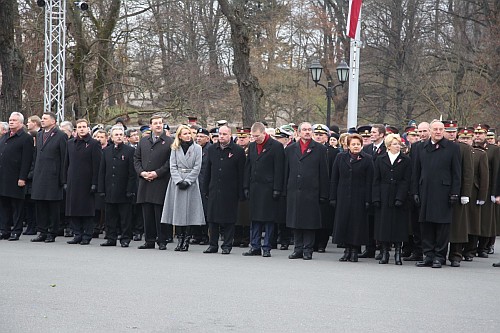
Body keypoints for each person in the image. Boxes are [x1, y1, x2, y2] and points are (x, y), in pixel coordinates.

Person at [413, 120, 461, 268]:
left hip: (443, 192)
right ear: (430, 130)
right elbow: (416, 172)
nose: (438, 132)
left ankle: (439, 256)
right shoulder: (420, 147)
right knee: (425, 225)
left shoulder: (452, 147)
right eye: (435, 129)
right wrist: (415, 191)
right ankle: (428, 255)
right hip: (425, 191)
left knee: (442, 226)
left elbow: (457, 173)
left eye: (441, 129)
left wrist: (455, 193)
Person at [284, 122, 329, 260]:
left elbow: (324, 173)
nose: (307, 132)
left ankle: (308, 249)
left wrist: (324, 193)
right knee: (295, 221)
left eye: (310, 130)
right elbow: (286, 171)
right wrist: (284, 191)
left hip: (312, 191)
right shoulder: (290, 149)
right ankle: (297, 249)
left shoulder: (320, 149)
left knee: (309, 222)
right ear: (298, 132)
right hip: (294, 191)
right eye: (304, 130)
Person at [242, 122, 284, 258]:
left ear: (264, 133)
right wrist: (246, 186)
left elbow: (279, 169)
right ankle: (255, 246)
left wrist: (277, 188)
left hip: (269, 188)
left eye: (257, 136)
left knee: (268, 219)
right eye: (253, 136)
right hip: (255, 187)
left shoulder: (276, 146)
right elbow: (248, 167)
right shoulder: (253, 146)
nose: (255, 138)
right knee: (255, 219)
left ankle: (267, 247)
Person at [330, 133, 374, 262]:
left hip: (359, 196)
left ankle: (354, 250)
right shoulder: (340, 157)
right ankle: (346, 250)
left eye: (358, 144)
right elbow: (334, 178)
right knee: (344, 222)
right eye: (353, 144)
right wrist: (332, 196)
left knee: (357, 224)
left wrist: (368, 199)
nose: (356, 146)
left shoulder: (367, 159)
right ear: (348, 145)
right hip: (343, 195)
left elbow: (370, 181)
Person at [160, 125, 204, 251]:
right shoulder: (175, 148)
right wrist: (178, 180)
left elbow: (197, 166)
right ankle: (179, 238)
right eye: (185, 134)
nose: (188, 136)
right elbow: (172, 165)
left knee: (189, 212)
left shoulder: (197, 148)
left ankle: (187, 239)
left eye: (189, 133)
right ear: (179, 136)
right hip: (177, 181)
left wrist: (188, 181)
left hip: (191, 181)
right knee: (178, 212)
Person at [203, 125, 245, 255]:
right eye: (220, 134)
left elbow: (241, 173)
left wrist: (241, 192)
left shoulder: (238, 151)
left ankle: (227, 245)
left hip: (230, 190)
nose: (221, 136)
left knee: (229, 219)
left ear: (230, 135)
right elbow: (207, 171)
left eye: (224, 134)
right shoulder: (211, 150)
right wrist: (205, 188)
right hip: (214, 188)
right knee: (212, 219)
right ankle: (213, 244)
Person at [134, 115, 174, 250]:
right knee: (147, 213)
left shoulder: (169, 141)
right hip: (145, 182)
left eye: (160, 123)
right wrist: (142, 172)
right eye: (155, 123)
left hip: (160, 182)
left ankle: (162, 240)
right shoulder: (143, 141)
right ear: (150, 126)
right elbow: (137, 159)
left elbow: (170, 162)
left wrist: (157, 173)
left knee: (159, 213)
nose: (158, 125)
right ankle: (149, 240)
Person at [372, 134, 411, 265]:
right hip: (384, 194)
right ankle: (384, 253)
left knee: (398, 226)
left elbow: (406, 180)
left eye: (398, 143)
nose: (397, 146)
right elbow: (375, 180)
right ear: (388, 146)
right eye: (395, 144)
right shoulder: (380, 159)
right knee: (383, 225)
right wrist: (376, 197)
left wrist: (400, 197)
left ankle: (398, 253)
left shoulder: (405, 160)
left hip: (398, 195)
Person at [30, 112, 68, 243]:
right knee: (40, 205)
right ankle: (42, 231)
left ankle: (52, 232)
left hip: (53, 176)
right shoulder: (39, 134)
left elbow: (64, 158)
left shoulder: (61, 136)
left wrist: (62, 178)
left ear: (53, 121)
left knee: (53, 206)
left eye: (45, 118)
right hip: (40, 175)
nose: (42, 120)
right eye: (42, 118)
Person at [64, 119, 102, 245]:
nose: (81, 129)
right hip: (73, 181)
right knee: (73, 208)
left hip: (87, 181)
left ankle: (87, 234)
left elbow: (97, 165)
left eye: (84, 126)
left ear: (88, 128)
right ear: (75, 129)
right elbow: (66, 163)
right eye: (79, 127)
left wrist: (95, 183)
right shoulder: (70, 143)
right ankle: (77, 234)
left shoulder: (94, 143)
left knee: (87, 210)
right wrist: (65, 180)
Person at [98, 126, 137, 248]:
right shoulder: (106, 151)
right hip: (110, 189)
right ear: (111, 137)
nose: (119, 136)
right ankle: (111, 237)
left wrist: (130, 189)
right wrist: (102, 189)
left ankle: (125, 238)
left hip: (124, 189)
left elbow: (132, 173)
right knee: (110, 216)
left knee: (125, 217)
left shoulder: (130, 151)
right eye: (116, 135)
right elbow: (102, 171)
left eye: (121, 134)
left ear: (124, 137)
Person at [443, 121, 474, 267]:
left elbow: (468, 173)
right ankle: (440, 253)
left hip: (458, 190)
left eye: (453, 131)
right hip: (441, 192)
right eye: (448, 131)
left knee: (457, 225)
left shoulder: (464, 148)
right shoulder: (438, 146)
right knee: (441, 225)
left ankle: (456, 254)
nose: (451, 133)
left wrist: (465, 193)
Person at [0, 112, 34, 240]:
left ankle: (16, 230)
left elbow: (27, 160)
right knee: (3, 205)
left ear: (20, 123)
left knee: (17, 206)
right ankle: (4, 230)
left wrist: (22, 177)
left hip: (16, 178)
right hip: (3, 177)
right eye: (10, 120)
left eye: (14, 120)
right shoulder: (4, 137)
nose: (11, 122)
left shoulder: (25, 138)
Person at [403, 121, 431, 262]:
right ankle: (418, 251)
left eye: (424, 131)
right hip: (417, 188)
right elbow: (414, 170)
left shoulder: (435, 146)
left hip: (431, 190)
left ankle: (430, 252)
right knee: (416, 223)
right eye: (419, 132)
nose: (422, 134)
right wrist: (413, 191)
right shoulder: (415, 146)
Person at [190, 127, 211, 245]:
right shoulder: (193, 149)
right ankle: (196, 234)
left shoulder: (209, 150)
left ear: (207, 139)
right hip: (194, 182)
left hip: (204, 183)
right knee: (194, 209)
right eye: (197, 136)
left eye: (201, 137)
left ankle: (204, 235)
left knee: (204, 210)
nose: (198, 138)